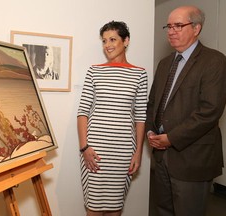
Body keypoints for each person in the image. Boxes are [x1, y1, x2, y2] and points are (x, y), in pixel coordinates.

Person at [146, 5, 226, 216]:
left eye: (178, 25)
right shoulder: (165, 63)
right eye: (169, 26)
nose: (171, 31)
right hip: (161, 156)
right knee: (162, 211)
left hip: (193, 158)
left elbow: (209, 112)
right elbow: (152, 103)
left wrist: (171, 138)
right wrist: (150, 131)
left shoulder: (214, 61)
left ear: (196, 28)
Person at [77, 21, 148, 216]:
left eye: (112, 39)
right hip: (94, 151)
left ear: (126, 41)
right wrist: (84, 148)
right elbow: (83, 112)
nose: (107, 44)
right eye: (104, 40)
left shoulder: (139, 74)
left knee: (115, 209)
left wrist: (138, 153)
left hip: (123, 152)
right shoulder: (94, 71)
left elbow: (140, 117)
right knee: (93, 209)